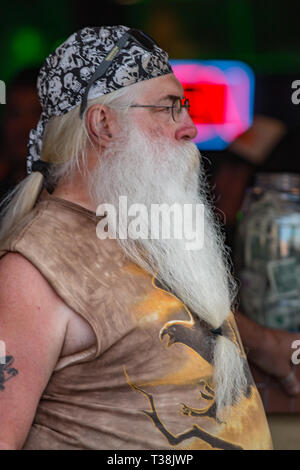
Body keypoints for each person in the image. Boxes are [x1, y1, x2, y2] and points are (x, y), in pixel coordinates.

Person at [0, 26, 272, 450]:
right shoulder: (32, 269)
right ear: (103, 123)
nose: (189, 128)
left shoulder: (148, 236)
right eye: (169, 108)